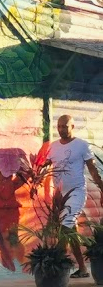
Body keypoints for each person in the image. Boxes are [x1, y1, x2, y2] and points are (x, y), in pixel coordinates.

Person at [46, 115, 103, 278]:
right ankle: (83, 269)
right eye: (59, 126)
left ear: (72, 126)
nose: (61, 129)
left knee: (65, 226)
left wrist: (102, 189)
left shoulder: (82, 145)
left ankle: (56, 265)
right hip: (60, 195)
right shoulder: (53, 147)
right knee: (69, 229)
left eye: (65, 126)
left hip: (77, 192)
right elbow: (46, 165)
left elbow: (92, 169)